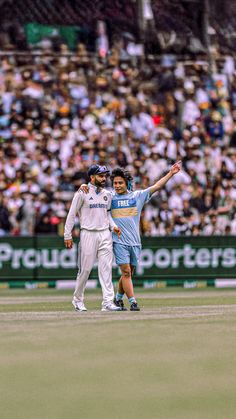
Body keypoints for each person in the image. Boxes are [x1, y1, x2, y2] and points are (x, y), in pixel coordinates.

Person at [79, 161, 181, 311]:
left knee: (129, 273)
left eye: (120, 183)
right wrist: (84, 187)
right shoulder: (109, 197)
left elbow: (157, 186)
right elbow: (93, 192)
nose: (117, 185)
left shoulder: (137, 196)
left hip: (135, 241)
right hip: (118, 240)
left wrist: (171, 173)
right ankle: (133, 302)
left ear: (126, 183)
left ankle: (118, 299)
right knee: (126, 272)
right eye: (115, 183)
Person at [64, 164, 122, 312]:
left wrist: (113, 226)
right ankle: (77, 300)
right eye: (100, 176)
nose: (104, 178)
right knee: (85, 270)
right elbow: (71, 214)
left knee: (106, 269)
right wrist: (67, 235)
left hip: (105, 234)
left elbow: (107, 214)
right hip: (88, 233)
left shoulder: (107, 194)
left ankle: (108, 302)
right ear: (92, 177)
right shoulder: (81, 192)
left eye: (105, 176)